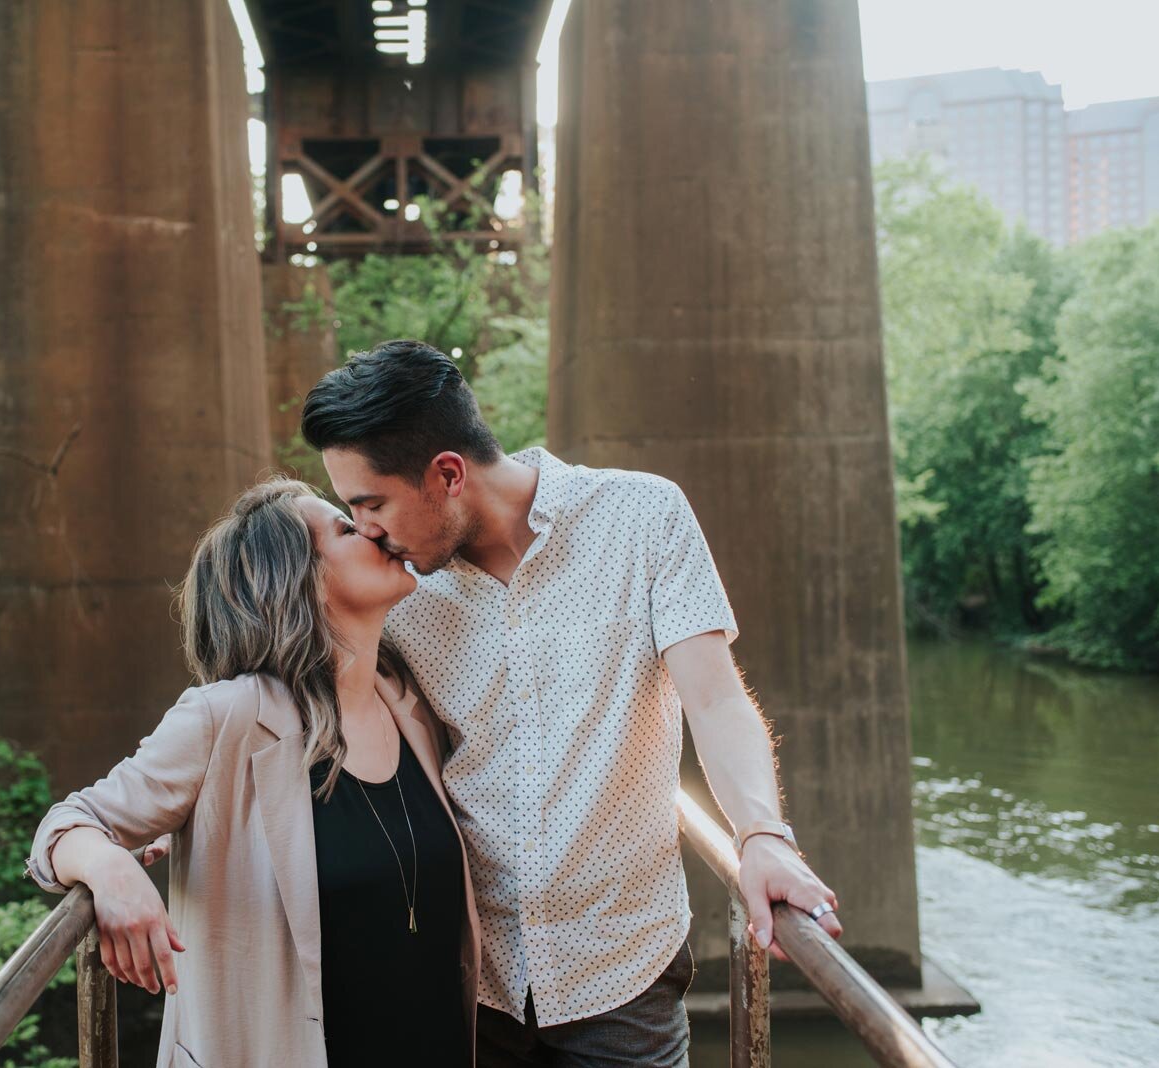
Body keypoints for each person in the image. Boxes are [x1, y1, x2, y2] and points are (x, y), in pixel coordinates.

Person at [300, 339, 844, 1067]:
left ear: (448, 475)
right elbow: (295, 697)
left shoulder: (643, 516)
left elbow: (715, 699)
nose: (366, 529)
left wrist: (762, 835)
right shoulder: (396, 592)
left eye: (371, 504)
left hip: (623, 974)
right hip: (466, 978)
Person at [23, 478, 481, 1068]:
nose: (371, 530)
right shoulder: (225, 717)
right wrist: (110, 868)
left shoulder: (411, 705)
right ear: (298, 578)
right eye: (344, 528)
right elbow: (67, 824)